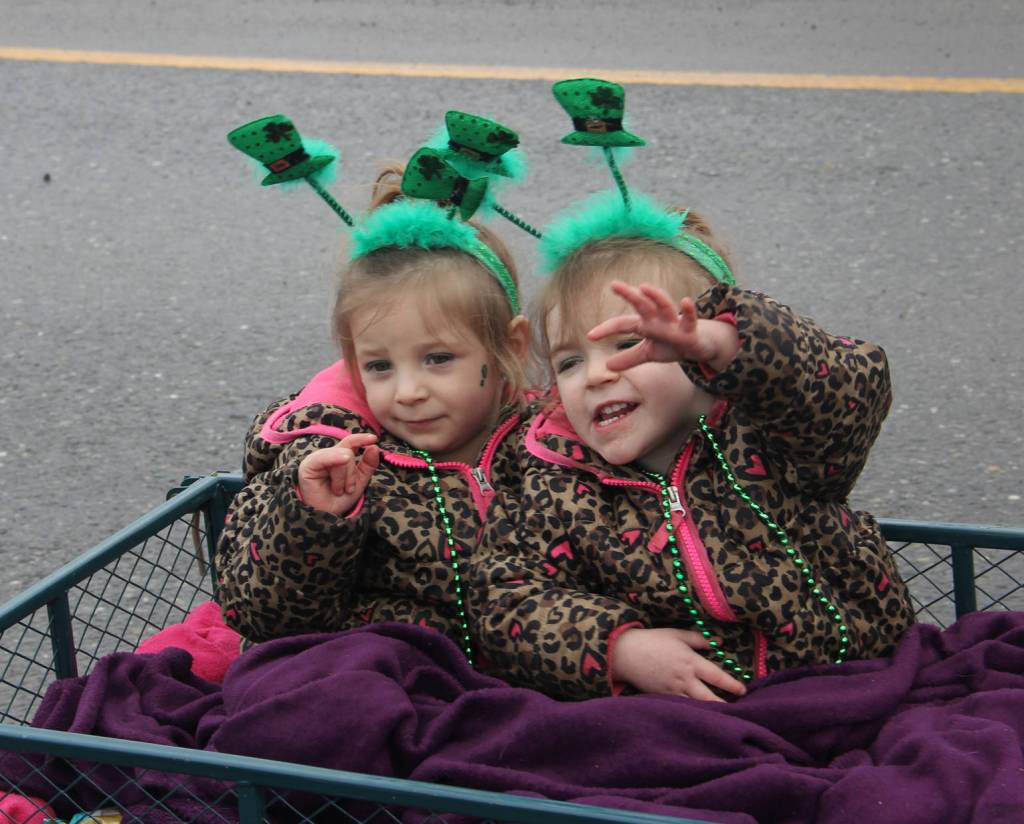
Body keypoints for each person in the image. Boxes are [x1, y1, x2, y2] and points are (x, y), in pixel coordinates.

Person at [469, 189, 916, 701]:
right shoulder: (554, 480)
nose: (594, 376)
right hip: (689, 715)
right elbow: (506, 599)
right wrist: (621, 650)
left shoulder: (772, 432)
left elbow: (853, 391)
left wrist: (726, 345)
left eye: (627, 345)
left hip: (857, 678)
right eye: (569, 361)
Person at [216, 166, 531, 667]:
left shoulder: (548, 449)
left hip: (512, 687)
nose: (407, 392)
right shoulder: (331, 459)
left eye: (439, 359)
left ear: (508, 347)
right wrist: (314, 518)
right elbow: (261, 615)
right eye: (380, 366)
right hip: (381, 677)